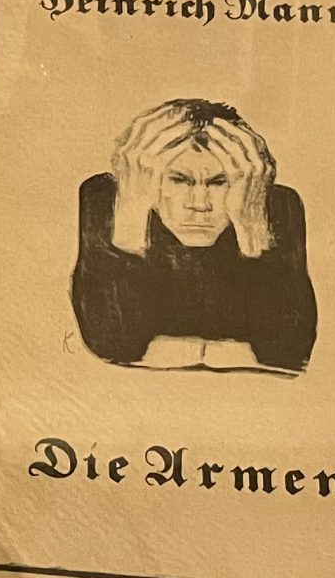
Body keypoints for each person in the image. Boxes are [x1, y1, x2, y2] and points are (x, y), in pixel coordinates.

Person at [70, 98, 317, 374]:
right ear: (144, 178)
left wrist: (252, 231)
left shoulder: (273, 208)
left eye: (219, 182)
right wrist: (131, 218)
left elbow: (287, 350)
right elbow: (112, 343)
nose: (200, 204)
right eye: (179, 180)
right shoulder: (109, 201)